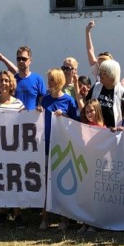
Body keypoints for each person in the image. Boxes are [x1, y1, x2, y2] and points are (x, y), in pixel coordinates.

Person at [38, 68, 79, 230]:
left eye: (52, 80)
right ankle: (45, 218)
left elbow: (76, 123)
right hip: (46, 145)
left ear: (60, 82)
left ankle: (64, 219)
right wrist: (37, 111)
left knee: (63, 183)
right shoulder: (45, 100)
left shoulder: (69, 101)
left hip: (63, 147)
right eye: (48, 80)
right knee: (46, 182)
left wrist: (66, 117)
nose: (49, 83)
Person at [0, 70, 27, 227]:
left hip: (14, 149)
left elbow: (26, 122)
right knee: (0, 179)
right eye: (1, 81)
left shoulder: (18, 104)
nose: (3, 83)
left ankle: (17, 213)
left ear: (11, 84)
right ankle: (1, 213)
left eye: (6, 81)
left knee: (14, 180)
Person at [0, 46, 46, 110]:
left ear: (30, 61)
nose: (21, 61)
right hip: (14, 117)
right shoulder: (12, 80)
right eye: (19, 59)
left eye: (24, 59)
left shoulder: (38, 79)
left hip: (33, 118)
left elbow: (43, 99)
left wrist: (39, 107)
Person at [88, 59, 124, 128]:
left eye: (103, 72)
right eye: (100, 71)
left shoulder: (122, 92)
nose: (99, 74)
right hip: (95, 130)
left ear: (112, 74)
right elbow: (87, 105)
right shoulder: (96, 86)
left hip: (113, 134)